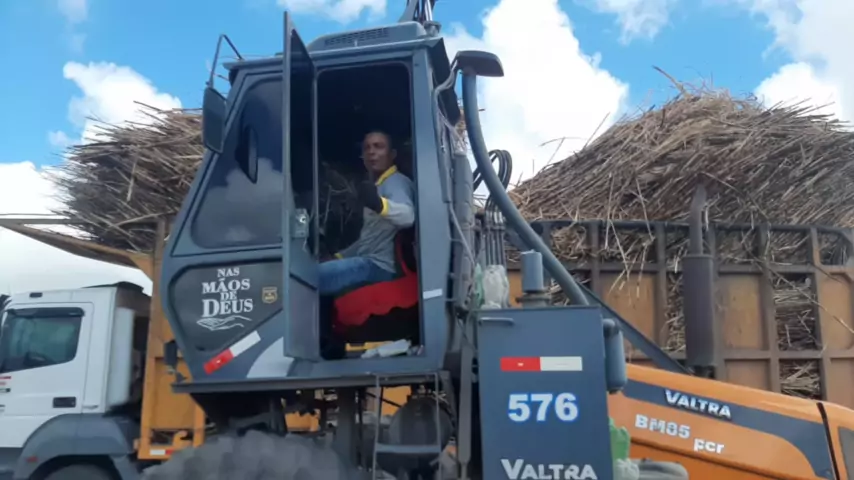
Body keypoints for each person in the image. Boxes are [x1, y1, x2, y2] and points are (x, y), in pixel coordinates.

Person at [319, 130, 415, 296]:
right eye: (367, 148)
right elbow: (369, 238)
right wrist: (338, 257)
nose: (371, 152)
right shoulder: (378, 185)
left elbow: (408, 216)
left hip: (380, 267)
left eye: (378, 146)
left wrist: (379, 204)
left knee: (309, 278)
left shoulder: (396, 182)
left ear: (392, 154)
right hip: (369, 262)